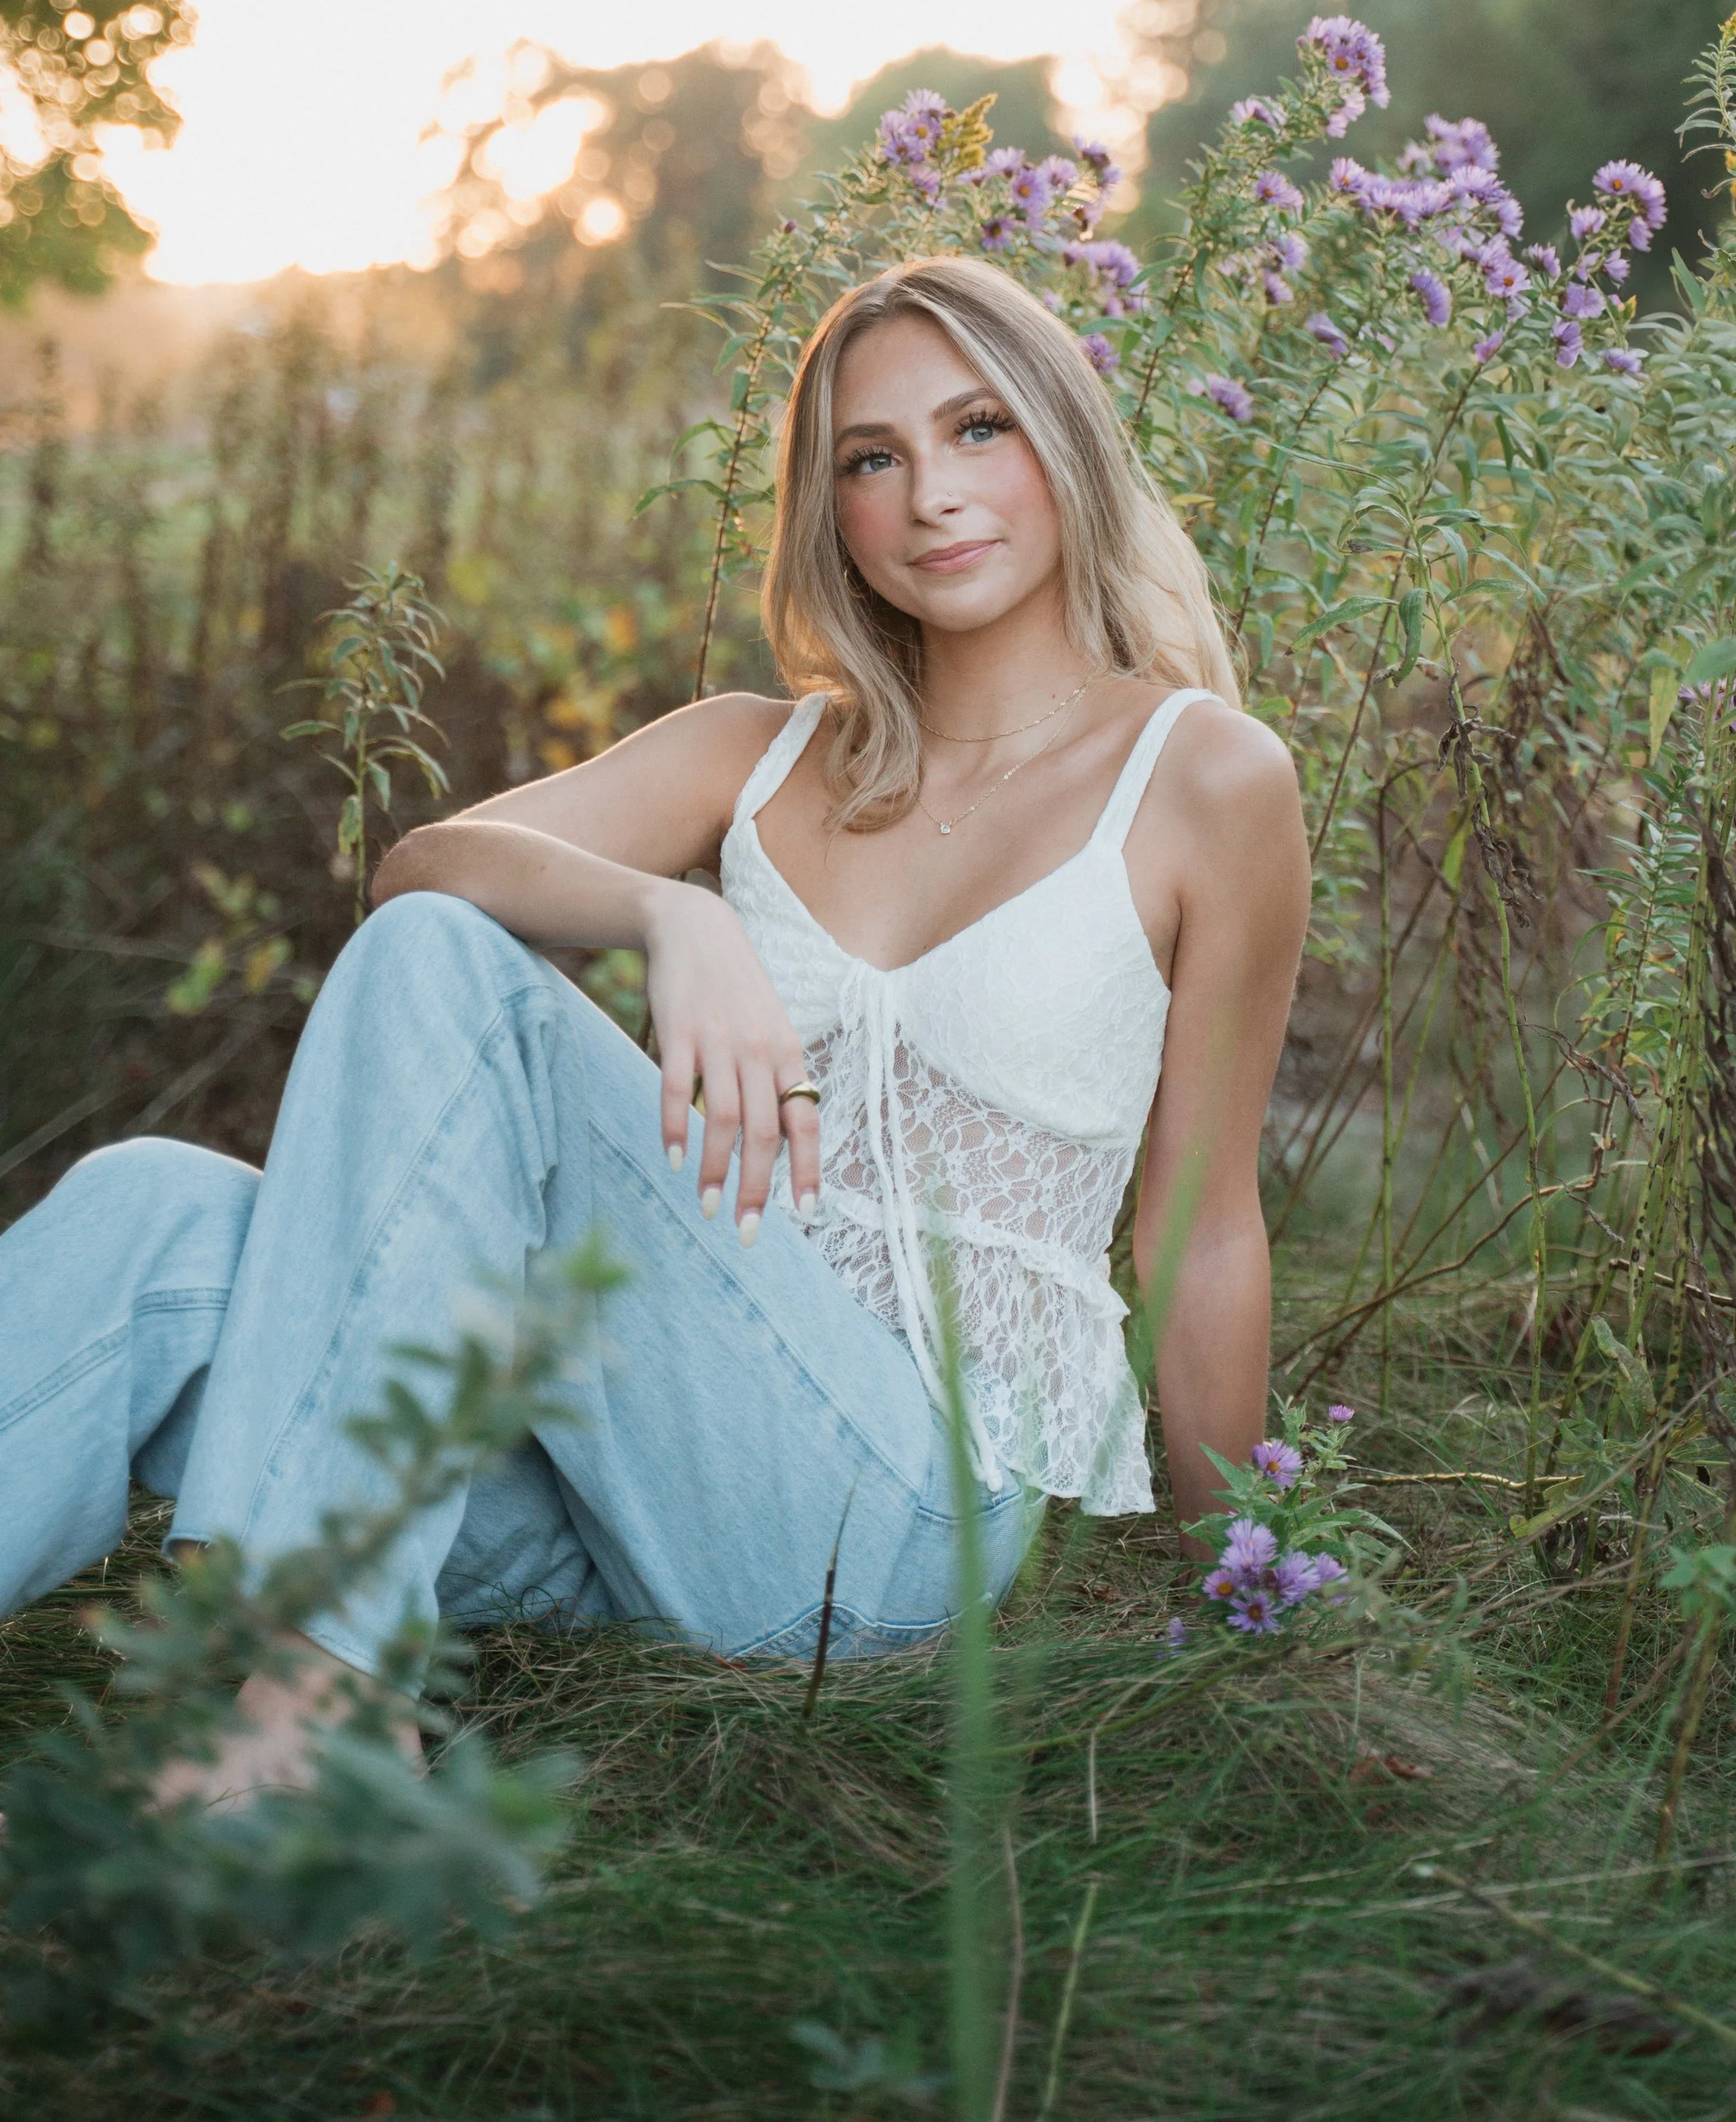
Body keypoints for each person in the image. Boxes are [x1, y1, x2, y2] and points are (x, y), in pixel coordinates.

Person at [0, 255, 1311, 1805]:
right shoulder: (755, 754)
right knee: (158, 1207)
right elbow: (420, 864)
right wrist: (670, 914)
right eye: (869, 458)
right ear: (829, 510)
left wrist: (1227, 1584)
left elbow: (1200, 1228)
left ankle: (315, 1682)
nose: (928, 495)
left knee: (450, 974)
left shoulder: (1203, 778)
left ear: (1064, 441)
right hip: (623, 1481)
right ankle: (322, 1666)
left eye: (976, 429)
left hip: (890, 1520)